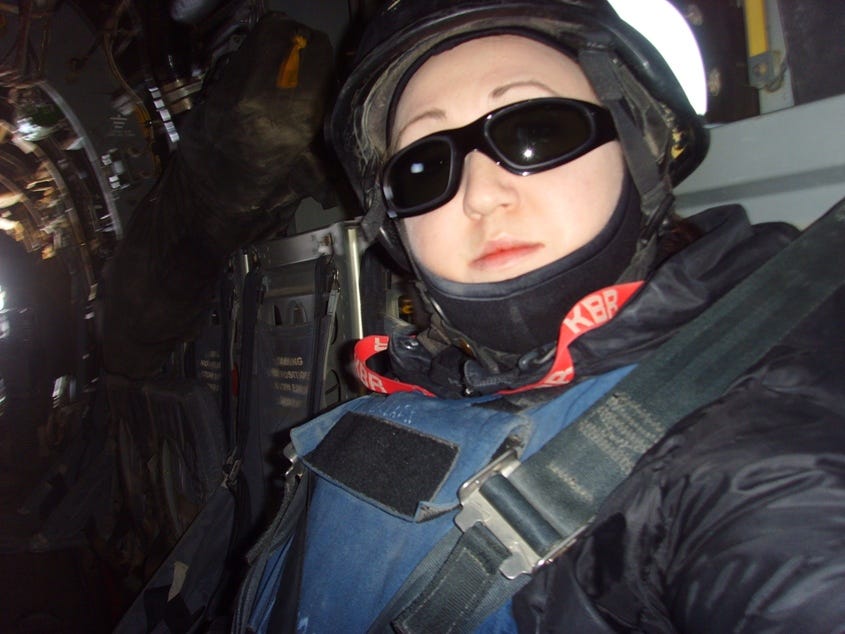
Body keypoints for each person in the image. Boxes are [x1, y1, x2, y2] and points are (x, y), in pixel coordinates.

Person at [235, 0, 845, 632]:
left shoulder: (759, 425)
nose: (481, 193)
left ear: (640, 147)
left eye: (537, 131)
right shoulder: (418, 388)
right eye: (422, 167)